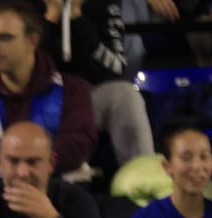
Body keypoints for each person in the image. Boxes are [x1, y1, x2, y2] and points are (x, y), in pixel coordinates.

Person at [0, 0, 96, 176]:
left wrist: (0, 143)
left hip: (58, 194)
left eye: (4, 37)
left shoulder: (73, 89)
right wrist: (45, 150)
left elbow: (77, 148)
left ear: (32, 40)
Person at [43, 0, 148, 167]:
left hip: (86, 96)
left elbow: (116, 68)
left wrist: (77, 19)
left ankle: (142, 178)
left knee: (125, 95)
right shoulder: (26, 6)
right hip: (34, 99)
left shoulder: (103, 5)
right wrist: (51, 18)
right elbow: (22, 67)